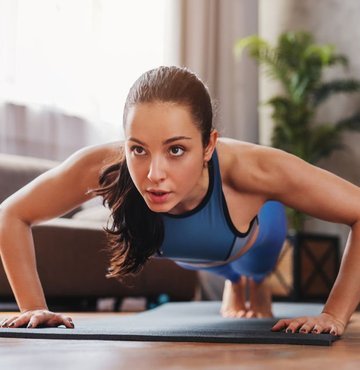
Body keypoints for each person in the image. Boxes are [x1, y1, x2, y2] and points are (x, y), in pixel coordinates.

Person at [0, 66, 359, 336]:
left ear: (209, 145)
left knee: (252, 269)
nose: (154, 173)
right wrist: (33, 307)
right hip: (196, 254)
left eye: (176, 149)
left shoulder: (256, 170)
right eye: (138, 148)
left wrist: (334, 314)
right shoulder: (104, 166)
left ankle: (248, 280)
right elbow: (11, 214)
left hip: (254, 238)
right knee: (210, 258)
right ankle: (235, 281)